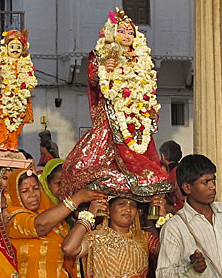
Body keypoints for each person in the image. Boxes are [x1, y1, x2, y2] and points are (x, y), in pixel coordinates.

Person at [60, 9, 172, 201]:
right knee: (98, 158)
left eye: (130, 32)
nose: (127, 36)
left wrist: (150, 109)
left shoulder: (141, 60)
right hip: (111, 115)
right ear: (112, 32)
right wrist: (105, 68)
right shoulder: (102, 54)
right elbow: (95, 82)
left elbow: (148, 91)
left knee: (145, 163)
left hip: (135, 118)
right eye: (122, 31)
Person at [0, 29, 37, 149]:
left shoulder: (25, 63)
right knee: (3, 123)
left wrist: (27, 84)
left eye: (18, 46)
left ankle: (13, 145)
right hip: (4, 98)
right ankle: (3, 142)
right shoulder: (0, 62)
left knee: (17, 123)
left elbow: (31, 80)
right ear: (6, 47)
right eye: (12, 46)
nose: (15, 49)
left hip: (19, 99)